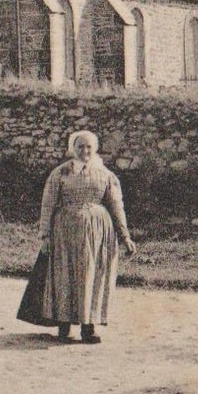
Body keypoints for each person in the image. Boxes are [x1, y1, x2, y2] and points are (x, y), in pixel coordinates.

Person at [35, 131, 136, 344]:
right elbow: (48, 204)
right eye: (80, 147)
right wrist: (45, 235)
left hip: (99, 234)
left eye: (89, 147)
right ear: (73, 148)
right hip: (66, 232)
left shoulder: (106, 175)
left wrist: (124, 235)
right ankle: (64, 326)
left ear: (95, 148)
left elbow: (117, 206)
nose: (85, 151)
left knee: (92, 275)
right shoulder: (61, 173)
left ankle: (89, 327)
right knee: (65, 275)